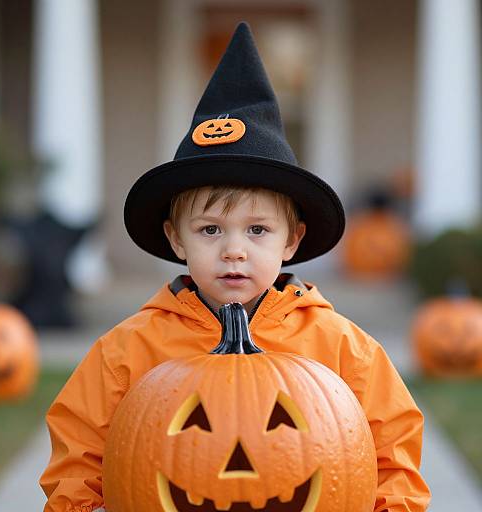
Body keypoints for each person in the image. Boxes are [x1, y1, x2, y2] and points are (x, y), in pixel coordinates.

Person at [40, 22, 431, 512]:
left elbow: (392, 456)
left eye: (257, 230)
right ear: (174, 238)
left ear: (292, 240)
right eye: (209, 230)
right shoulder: (127, 352)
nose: (234, 251)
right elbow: (77, 456)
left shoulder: (343, 349)